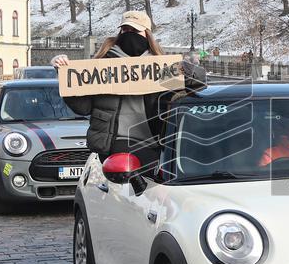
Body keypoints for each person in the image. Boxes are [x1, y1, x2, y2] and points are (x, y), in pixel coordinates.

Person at [51, 11, 204, 169]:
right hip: (115, 142)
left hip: (154, 142)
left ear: (146, 34)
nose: (129, 34)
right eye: (125, 30)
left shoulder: (161, 67)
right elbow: (83, 108)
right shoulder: (102, 64)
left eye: (135, 31)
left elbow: (200, 84)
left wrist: (187, 70)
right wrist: (63, 75)